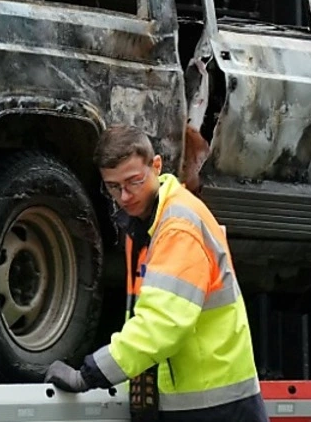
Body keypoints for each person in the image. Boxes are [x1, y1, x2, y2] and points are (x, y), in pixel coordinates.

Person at [44, 124, 268, 422]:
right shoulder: (148, 224)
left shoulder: (177, 226)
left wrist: (90, 374)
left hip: (213, 406)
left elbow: (161, 324)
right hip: (202, 400)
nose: (125, 196)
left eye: (134, 181)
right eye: (113, 187)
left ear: (157, 166)